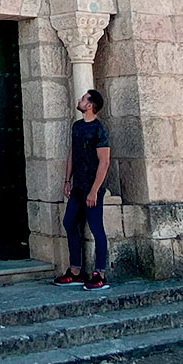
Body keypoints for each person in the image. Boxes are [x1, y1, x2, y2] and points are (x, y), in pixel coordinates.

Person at [55, 88, 110, 289]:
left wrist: (94, 190)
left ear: (90, 105)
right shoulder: (77, 127)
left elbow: (104, 161)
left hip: (92, 188)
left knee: (96, 229)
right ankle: (75, 270)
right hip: (78, 187)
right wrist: (67, 180)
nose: (79, 100)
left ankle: (100, 273)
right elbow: (72, 153)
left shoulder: (99, 129)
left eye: (83, 99)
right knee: (69, 223)